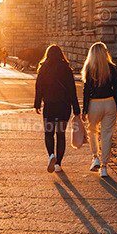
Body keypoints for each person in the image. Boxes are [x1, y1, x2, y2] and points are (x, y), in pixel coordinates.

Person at [34, 44, 80, 173]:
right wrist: (76, 109)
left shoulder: (43, 69)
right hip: (64, 107)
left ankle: (51, 155)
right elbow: (72, 90)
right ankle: (58, 163)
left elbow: (39, 88)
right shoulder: (66, 69)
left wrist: (37, 104)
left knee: (49, 133)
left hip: (49, 106)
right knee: (60, 134)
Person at [81, 41, 117, 178]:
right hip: (109, 102)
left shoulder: (90, 68)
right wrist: (116, 107)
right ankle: (104, 166)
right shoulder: (113, 68)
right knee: (107, 135)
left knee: (92, 131)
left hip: (94, 104)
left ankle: (95, 157)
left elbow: (87, 91)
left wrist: (84, 110)